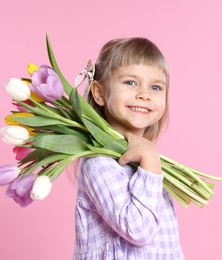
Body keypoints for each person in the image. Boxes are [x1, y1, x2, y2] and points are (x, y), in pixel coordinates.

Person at [73, 38, 185, 259]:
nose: (144, 94)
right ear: (99, 93)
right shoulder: (98, 163)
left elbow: (168, 246)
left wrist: (149, 159)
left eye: (155, 87)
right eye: (130, 82)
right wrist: (151, 160)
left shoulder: (145, 163)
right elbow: (138, 230)